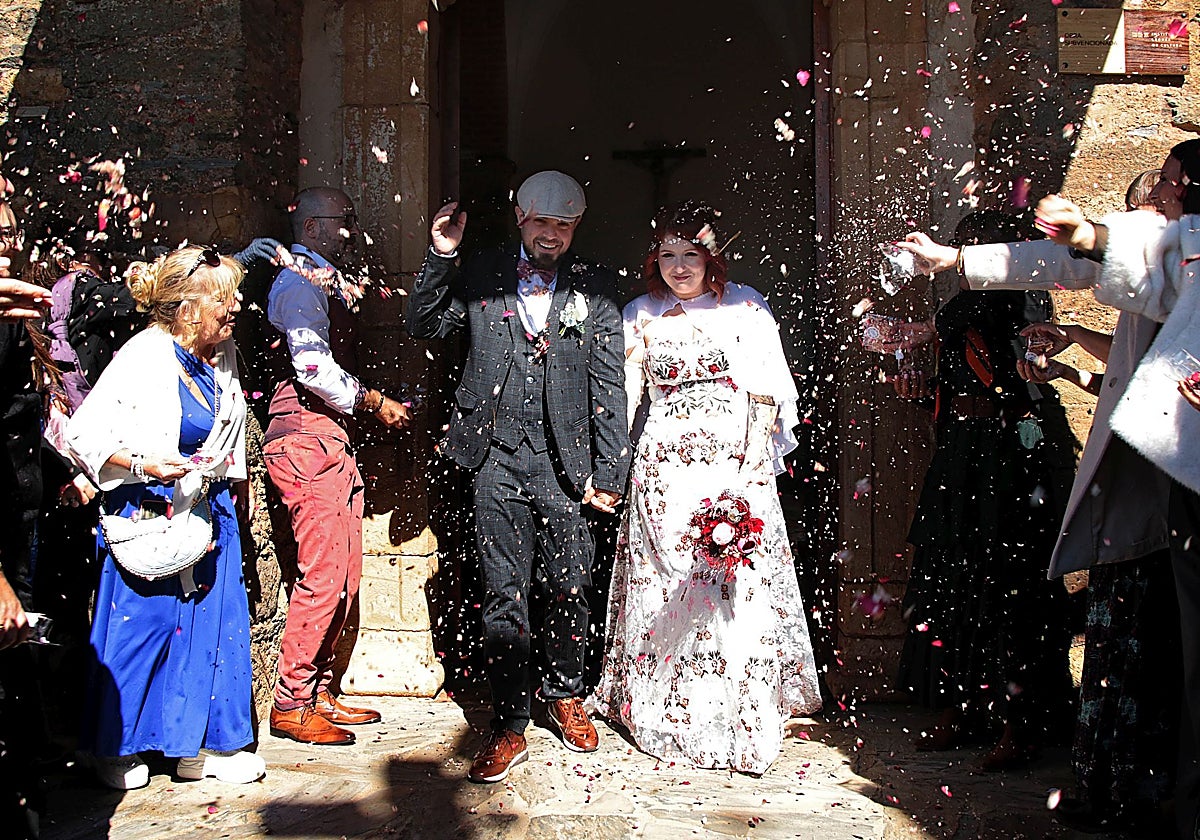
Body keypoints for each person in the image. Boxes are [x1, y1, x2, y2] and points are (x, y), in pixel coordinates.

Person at [895, 139, 1200, 834]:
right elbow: (1084, 260)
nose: (1158, 194)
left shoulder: (1176, 249)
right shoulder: (1172, 251)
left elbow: (1093, 257)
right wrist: (958, 263)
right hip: (1162, 481)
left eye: (1168, 184)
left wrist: (1084, 236)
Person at [407, 170, 630, 783]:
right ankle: (509, 722)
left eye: (564, 225)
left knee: (569, 584)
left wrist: (610, 470)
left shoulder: (597, 287)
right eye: (542, 222)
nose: (551, 235)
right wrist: (442, 255)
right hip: (495, 458)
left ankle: (564, 693)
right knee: (503, 590)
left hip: (567, 463)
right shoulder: (482, 272)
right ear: (520, 218)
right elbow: (425, 324)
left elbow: (610, 385)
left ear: (576, 227)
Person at [587, 203, 821, 774]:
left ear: (712, 257)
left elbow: (766, 391)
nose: (679, 266)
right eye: (667, 255)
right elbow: (625, 395)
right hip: (665, 466)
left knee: (729, 577)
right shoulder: (640, 313)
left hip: (730, 462)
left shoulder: (745, 306)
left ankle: (738, 711)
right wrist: (613, 466)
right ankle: (666, 708)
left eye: (690, 254)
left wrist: (752, 467)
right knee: (669, 578)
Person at [66, 245, 264, 790]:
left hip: (210, 513)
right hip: (150, 514)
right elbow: (83, 434)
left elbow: (230, 425)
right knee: (144, 628)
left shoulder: (222, 353)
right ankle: (117, 748)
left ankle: (202, 746)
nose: (237, 307)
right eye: (225, 298)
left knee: (214, 630)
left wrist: (240, 480)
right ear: (188, 308)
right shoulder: (143, 355)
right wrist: (143, 465)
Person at [885, 210, 1076, 771]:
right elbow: (960, 381)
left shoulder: (1026, 299)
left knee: (1010, 586)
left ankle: (1022, 723)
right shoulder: (961, 307)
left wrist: (931, 326)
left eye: (978, 250)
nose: (965, 265)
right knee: (951, 580)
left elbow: (1013, 362)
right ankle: (961, 708)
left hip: (1010, 460)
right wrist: (922, 389)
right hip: (963, 455)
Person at [264, 187, 408, 746]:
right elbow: (311, 367)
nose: (350, 230)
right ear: (311, 227)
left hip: (328, 439)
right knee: (324, 575)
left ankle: (320, 689)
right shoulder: (298, 283)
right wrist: (373, 400)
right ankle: (292, 702)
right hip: (305, 438)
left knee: (345, 577)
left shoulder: (322, 281)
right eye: (341, 220)